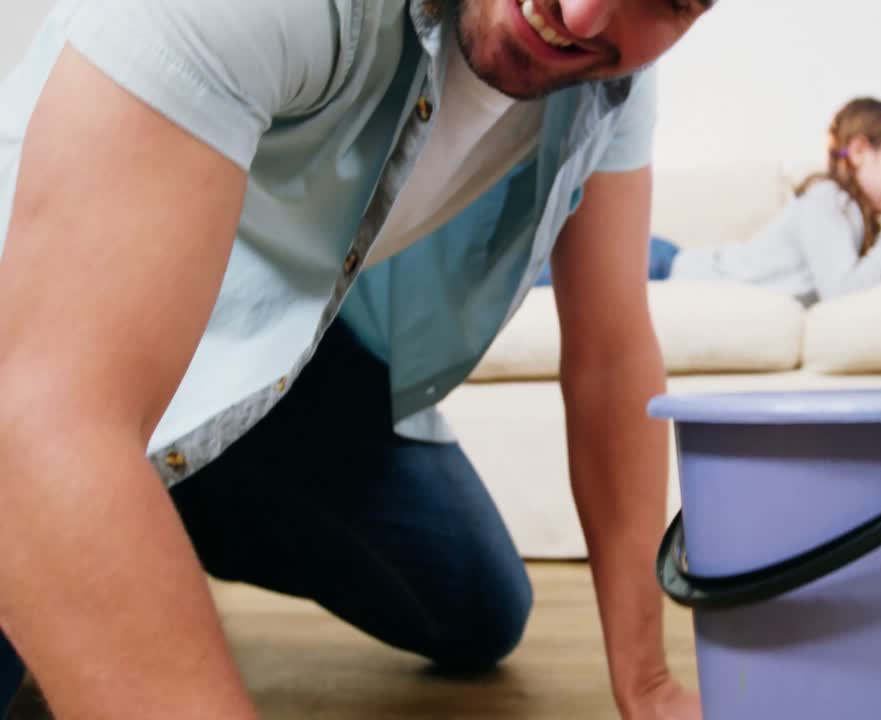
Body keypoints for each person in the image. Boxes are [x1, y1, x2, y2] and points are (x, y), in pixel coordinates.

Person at [0, 1, 714, 718]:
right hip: (38, 337)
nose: (584, 15)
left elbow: (611, 356)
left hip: (285, 357)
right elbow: (37, 419)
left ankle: (155, 499)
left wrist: (648, 685)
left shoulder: (610, 78)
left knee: (480, 609)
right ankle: (116, 502)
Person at [663, 97, 881, 305]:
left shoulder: (851, 214)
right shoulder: (828, 200)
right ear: (860, 151)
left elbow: (858, 280)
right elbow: (842, 293)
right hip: (668, 266)